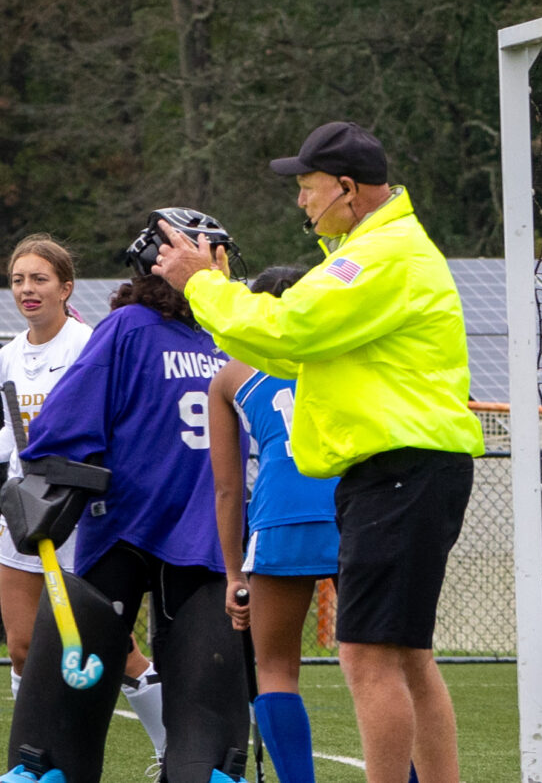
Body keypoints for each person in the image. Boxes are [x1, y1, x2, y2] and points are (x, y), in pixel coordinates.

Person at [154, 122, 484, 783]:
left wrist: (200, 286)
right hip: (405, 472)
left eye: (307, 189)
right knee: (407, 655)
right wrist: (220, 292)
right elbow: (283, 348)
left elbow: (291, 325)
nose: (301, 203)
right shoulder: (373, 251)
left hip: (400, 471)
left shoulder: (380, 254)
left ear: (347, 189)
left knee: (366, 655)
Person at [0, 217, 250, 783]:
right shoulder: (222, 339)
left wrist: (52, 482)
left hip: (130, 524)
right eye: (215, 255)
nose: (224, 267)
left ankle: (44, 768)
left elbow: (59, 426)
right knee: (205, 717)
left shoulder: (130, 328)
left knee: (73, 701)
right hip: (202, 531)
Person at [0, 236, 168, 767]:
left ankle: (172, 749)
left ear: (66, 287)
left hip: (80, 513)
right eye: (18, 280)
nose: (27, 290)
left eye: (39, 279)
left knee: (115, 651)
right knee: (22, 649)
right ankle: (36, 763)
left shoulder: (92, 345)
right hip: (24, 511)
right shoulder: (8, 357)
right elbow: (19, 437)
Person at [210, 266, 340, 783]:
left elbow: (227, 489)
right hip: (353, 511)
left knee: (277, 669)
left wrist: (232, 576)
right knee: (388, 665)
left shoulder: (230, 376)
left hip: (279, 519)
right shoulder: (341, 353)